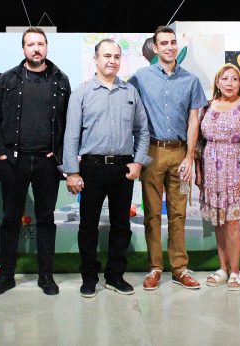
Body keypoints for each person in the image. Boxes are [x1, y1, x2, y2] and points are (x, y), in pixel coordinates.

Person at [0, 27, 71, 296]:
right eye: (31, 44)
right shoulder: (8, 79)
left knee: (46, 219)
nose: (36, 48)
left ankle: (46, 276)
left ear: (47, 47)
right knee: (10, 219)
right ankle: (6, 275)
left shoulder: (60, 80)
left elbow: (70, 122)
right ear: (23, 49)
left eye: (40, 44)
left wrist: (58, 153)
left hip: (47, 163)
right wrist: (1, 152)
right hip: (14, 161)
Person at [63, 38, 150, 298]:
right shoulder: (82, 93)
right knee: (88, 225)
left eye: (116, 56)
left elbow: (142, 131)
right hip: (91, 168)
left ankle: (115, 276)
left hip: (123, 169)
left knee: (121, 224)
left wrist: (137, 161)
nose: (111, 61)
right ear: (96, 60)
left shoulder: (130, 93)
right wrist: (72, 171)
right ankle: (89, 277)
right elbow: (71, 136)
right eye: (106, 56)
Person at [128, 26, 207, 291]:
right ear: (156, 48)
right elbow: (125, 104)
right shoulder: (140, 77)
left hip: (180, 154)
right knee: (151, 214)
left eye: (173, 42)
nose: (170, 47)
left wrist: (190, 157)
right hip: (151, 153)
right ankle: (155, 268)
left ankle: (180, 268)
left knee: (178, 212)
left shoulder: (191, 81)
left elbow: (194, 121)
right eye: (164, 43)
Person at [198, 64, 240, 292]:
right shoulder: (208, 106)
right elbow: (200, 141)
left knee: (232, 223)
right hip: (210, 170)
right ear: (217, 82)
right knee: (218, 222)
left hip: (234, 169)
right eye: (225, 78)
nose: (229, 83)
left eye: (234, 79)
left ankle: (236, 272)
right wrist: (199, 171)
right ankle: (222, 268)